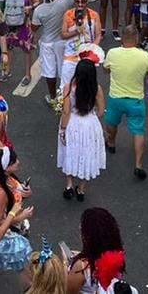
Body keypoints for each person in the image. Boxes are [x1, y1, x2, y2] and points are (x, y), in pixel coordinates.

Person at [102, 25, 148, 179]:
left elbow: (106, 69)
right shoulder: (144, 56)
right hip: (135, 100)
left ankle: (111, 143)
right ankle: (138, 164)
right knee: (138, 131)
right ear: (137, 38)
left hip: (116, 97)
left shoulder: (112, 53)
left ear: (122, 38)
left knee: (112, 123)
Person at [57, 59, 106, 201]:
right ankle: (82, 189)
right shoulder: (97, 88)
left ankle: (69, 185)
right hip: (90, 124)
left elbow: (66, 112)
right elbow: (101, 111)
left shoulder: (69, 88)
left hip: (73, 123)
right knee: (88, 153)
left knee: (70, 151)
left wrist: (63, 129)